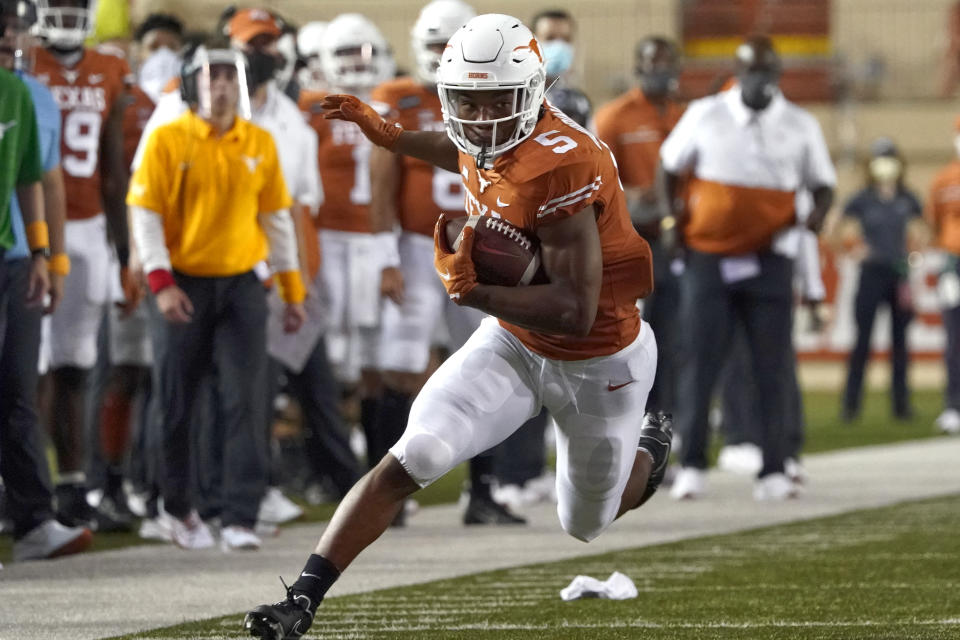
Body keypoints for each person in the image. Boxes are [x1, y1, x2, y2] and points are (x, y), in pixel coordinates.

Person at [244, 14, 671, 639]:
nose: (477, 116)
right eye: (463, 100)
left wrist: (473, 293)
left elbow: (576, 312)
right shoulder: (488, 134)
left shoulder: (561, 167)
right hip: (517, 342)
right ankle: (301, 601)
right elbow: (460, 147)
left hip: (599, 360)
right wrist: (389, 135)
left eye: (494, 101)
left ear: (529, 95)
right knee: (413, 453)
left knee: (586, 522)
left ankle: (651, 451)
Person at [127, 43, 306, 552]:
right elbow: (145, 214)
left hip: (243, 283)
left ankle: (239, 516)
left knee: (246, 401)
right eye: (212, 77)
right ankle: (178, 508)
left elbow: (277, 221)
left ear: (244, 85)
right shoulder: (167, 138)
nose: (222, 86)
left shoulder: (260, 142)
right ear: (192, 84)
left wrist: (293, 292)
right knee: (177, 400)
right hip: (181, 281)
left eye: (230, 77)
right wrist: (159, 283)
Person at [658, 36, 835, 501]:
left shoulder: (800, 123)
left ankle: (774, 468)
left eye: (764, 72)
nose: (756, 81)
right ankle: (692, 462)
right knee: (699, 360)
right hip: (708, 256)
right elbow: (668, 166)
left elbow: (823, 185)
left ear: (776, 76)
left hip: (768, 257)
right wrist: (671, 221)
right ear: (738, 72)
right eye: (749, 71)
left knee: (771, 365)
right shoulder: (706, 113)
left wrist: (815, 219)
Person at [370, 0, 525, 526]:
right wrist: (385, 256)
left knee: (490, 367)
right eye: (434, 44)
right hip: (416, 247)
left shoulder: (498, 96)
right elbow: (380, 186)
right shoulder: (399, 97)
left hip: (483, 248)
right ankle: (389, 495)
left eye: (449, 43)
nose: (441, 54)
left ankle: (482, 492)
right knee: (400, 366)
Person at [31, 0, 134, 531]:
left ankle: (71, 485)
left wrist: (124, 251)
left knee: (73, 365)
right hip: (32, 224)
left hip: (90, 226)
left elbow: (113, 169)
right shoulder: (21, 60)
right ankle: (25, 486)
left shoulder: (111, 69)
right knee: (30, 366)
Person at [0, 0, 91, 562]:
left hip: (12, 255)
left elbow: (38, 177)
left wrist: (45, 254)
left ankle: (33, 518)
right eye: (4, 27)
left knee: (16, 388)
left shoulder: (22, 92)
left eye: (14, 27)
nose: (12, 37)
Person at [298, 13, 396, 468]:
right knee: (330, 351)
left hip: (376, 241)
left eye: (364, 53)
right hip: (329, 237)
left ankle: (372, 457)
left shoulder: (393, 105)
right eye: (345, 55)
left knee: (373, 351)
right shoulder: (311, 109)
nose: (357, 64)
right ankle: (325, 458)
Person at [594, 36, 684, 417]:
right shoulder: (615, 116)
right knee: (628, 333)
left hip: (673, 239)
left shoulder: (685, 116)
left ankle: (662, 415)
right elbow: (595, 177)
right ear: (638, 67)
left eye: (666, 63)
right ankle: (621, 410)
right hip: (629, 238)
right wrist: (632, 194)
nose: (659, 71)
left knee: (672, 332)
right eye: (652, 63)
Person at [836, 138, 924, 422]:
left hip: (898, 273)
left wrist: (914, 251)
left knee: (900, 344)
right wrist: (852, 249)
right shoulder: (863, 198)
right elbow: (834, 227)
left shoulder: (906, 198)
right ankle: (851, 406)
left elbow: (925, 228)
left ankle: (901, 406)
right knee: (862, 341)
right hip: (871, 273)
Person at [928, 119, 960, 435]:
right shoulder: (944, 179)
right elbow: (934, 221)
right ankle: (954, 406)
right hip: (953, 262)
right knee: (954, 337)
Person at [530, 8, 590, 127]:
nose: (559, 46)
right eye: (550, 38)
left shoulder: (577, 102)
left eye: (565, 39)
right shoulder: (515, 96)